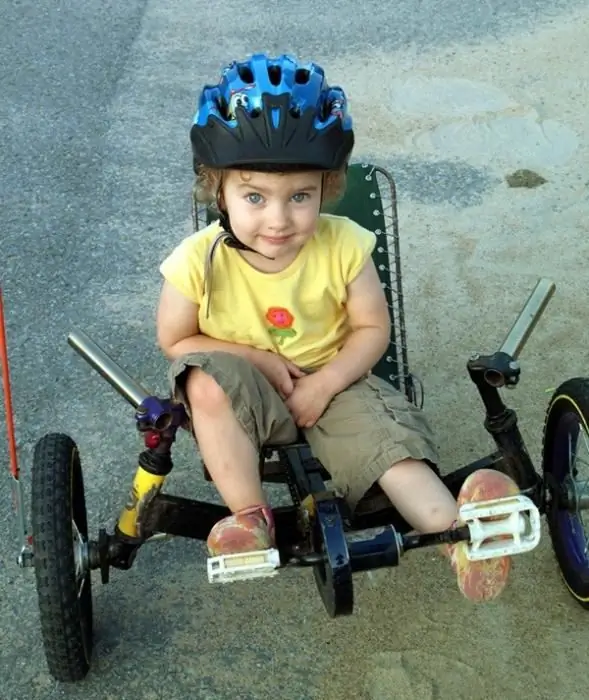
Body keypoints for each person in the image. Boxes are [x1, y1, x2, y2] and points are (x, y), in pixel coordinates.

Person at [155, 53, 520, 602]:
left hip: (337, 380)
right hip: (247, 393)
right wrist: (257, 359)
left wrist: (324, 384)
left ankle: (460, 534)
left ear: (327, 188)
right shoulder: (196, 259)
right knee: (202, 379)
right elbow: (177, 340)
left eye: (300, 196)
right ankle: (250, 520)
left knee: (389, 449)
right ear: (216, 188)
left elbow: (372, 329)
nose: (278, 219)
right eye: (254, 197)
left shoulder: (344, 243)